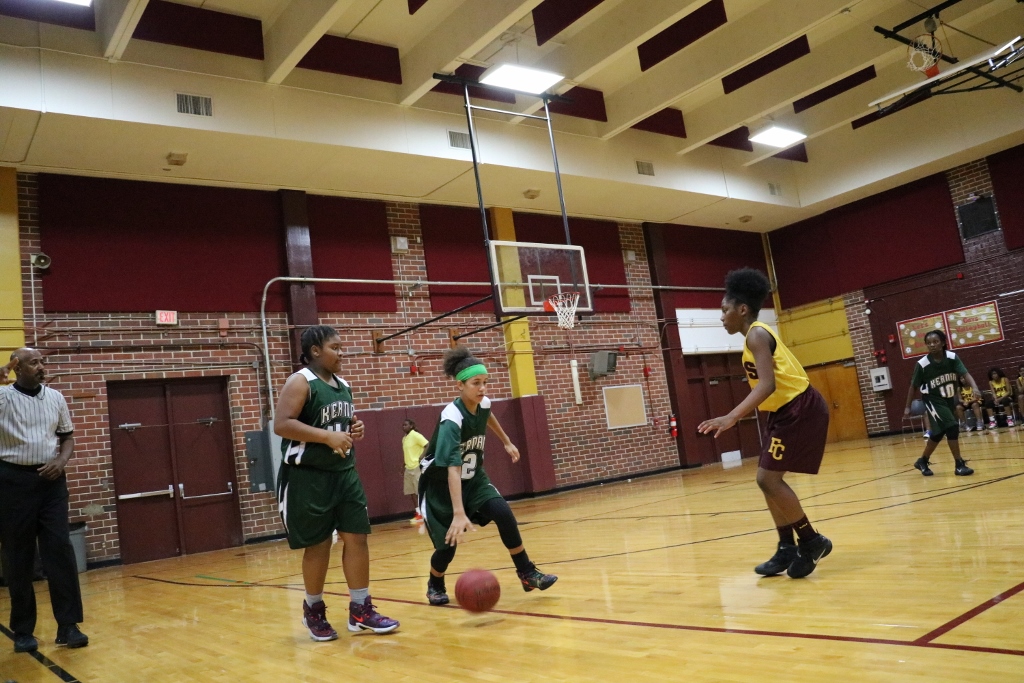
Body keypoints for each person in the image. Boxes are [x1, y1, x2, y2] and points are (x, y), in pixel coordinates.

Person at [697, 269, 832, 579]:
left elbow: (767, 385)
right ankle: (787, 547)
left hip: (799, 407)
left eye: (725, 310)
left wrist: (731, 416)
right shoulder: (754, 336)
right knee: (766, 479)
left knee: (768, 480)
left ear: (742, 309)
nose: (721, 317)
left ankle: (811, 541)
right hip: (784, 411)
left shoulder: (757, 334)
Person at [274, 325, 398, 642]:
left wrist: (354, 429)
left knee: (357, 537)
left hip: (344, 473)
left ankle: (360, 610)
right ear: (316, 351)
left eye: (342, 347)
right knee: (318, 545)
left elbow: (338, 423)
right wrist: (326, 437)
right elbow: (282, 424)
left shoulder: (343, 385)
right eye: (336, 347)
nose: (342, 353)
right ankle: (313, 610)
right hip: (308, 476)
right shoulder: (301, 381)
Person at [420, 346, 557, 606]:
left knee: (503, 512)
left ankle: (527, 573)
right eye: (476, 383)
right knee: (447, 547)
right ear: (460, 386)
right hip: (441, 487)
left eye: (485, 382)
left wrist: (506, 441)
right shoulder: (451, 418)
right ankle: (435, 583)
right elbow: (452, 468)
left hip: (473, 480)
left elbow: (488, 413)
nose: (482, 388)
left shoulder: (482, 403)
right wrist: (458, 513)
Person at [0, 349, 88, 653]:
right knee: (18, 556)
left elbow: (68, 438)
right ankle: (23, 630)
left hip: (51, 483)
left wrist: (61, 462)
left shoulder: (56, 397)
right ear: (17, 367)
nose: (41, 367)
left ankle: (69, 626)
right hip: (12, 482)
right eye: (33, 362)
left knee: (60, 550)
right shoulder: (3, 398)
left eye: (42, 362)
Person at [903, 330, 981, 477]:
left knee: (938, 433)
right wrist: (907, 407)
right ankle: (959, 464)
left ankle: (922, 461)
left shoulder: (952, 358)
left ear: (943, 342)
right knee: (952, 426)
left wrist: (975, 387)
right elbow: (913, 386)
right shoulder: (923, 364)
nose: (932, 345)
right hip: (932, 400)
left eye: (935, 341)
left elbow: (965, 374)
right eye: (929, 343)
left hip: (948, 400)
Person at [401, 419, 428, 524]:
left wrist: (421, 457)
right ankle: (418, 514)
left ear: (411, 426)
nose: (403, 426)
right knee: (411, 492)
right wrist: (403, 465)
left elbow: (427, 444)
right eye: (403, 425)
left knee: (419, 492)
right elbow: (407, 453)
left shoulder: (415, 435)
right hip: (408, 468)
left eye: (406, 424)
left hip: (416, 467)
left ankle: (425, 513)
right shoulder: (404, 438)